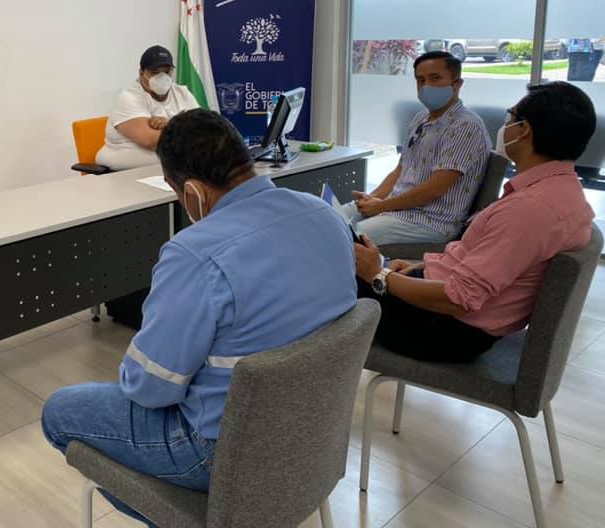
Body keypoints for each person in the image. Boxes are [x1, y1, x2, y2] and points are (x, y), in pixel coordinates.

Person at [42, 109, 357, 526]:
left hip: (220, 451)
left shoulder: (194, 254)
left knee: (59, 411)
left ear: (191, 192)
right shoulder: (326, 216)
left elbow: (150, 387)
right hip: (316, 431)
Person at [354, 82, 596, 363]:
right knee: (347, 256)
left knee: (334, 267)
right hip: (443, 308)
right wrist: (419, 269)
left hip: (439, 329)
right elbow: (482, 267)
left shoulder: (531, 210)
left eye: (510, 117)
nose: (505, 126)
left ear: (524, 130)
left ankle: (324, 371)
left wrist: (381, 276)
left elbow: (458, 299)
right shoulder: (561, 192)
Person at [341, 51, 491, 246]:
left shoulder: (465, 126)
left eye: (435, 78)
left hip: (431, 221)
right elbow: (401, 169)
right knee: (329, 217)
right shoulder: (421, 118)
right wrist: (373, 198)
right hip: (397, 208)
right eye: (420, 80)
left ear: (457, 84)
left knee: (344, 238)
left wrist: (381, 206)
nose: (426, 86)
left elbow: (435, 189)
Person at [95, 45, 200, 171]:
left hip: (171, 170)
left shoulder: (182, 93)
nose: (162, 77)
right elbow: (152, 141)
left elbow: (205, 132)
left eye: (166, 72)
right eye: (154, 72)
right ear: (141, 73)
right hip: (124, 173)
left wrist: (170, 124)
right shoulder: (129, 98)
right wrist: (186, 129)